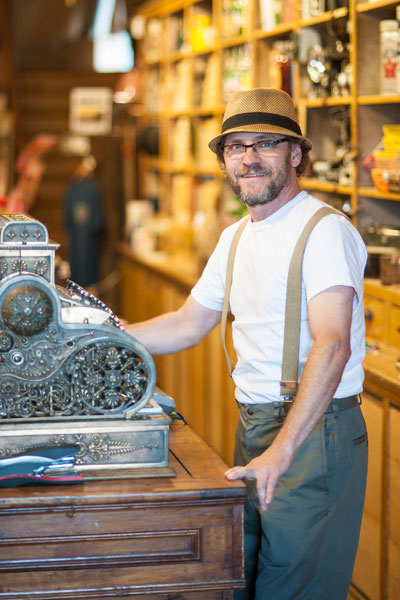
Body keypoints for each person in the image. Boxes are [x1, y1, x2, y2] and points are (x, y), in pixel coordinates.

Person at [126, 88, 368, 600]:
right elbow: (187, 323)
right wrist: (100, 334)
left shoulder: (324, 231)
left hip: (312, 434)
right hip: (256, 426)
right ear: (224, 160)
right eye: (236, 147)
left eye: (265, 144)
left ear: (296, 154)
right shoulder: (236, 236)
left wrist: (282, 452)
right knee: (243, 579)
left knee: (293, 588)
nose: (249, 158)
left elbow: (332, 346)